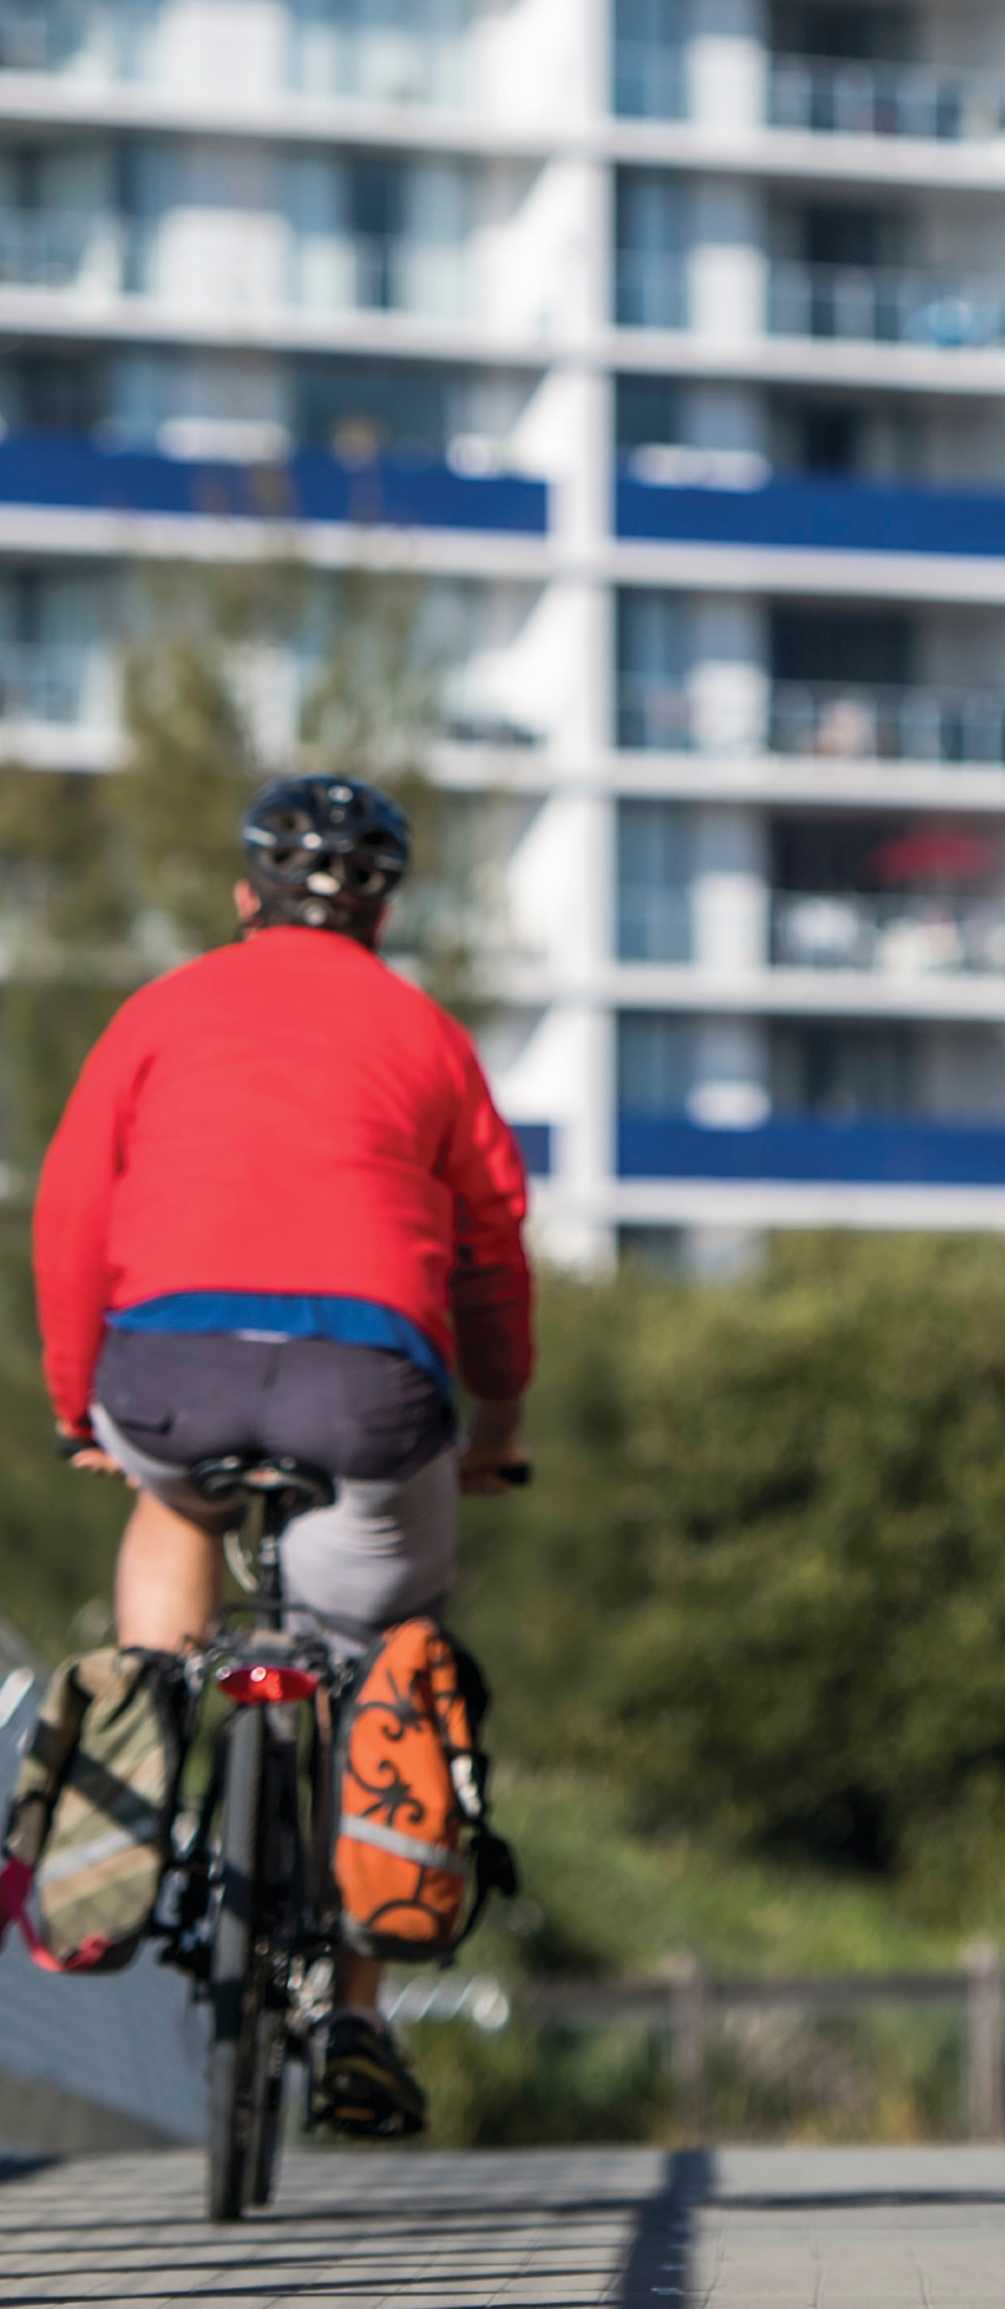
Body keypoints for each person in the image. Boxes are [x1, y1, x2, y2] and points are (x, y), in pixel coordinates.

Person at [34, 774, 534, 2141]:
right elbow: (491, 1251)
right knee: (385, 1644)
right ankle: (357, 2013)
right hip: (365, 1386)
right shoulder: (426, 1035)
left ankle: (139, 1720)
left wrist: (83, 1407)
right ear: (381, 907)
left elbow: (75, 1207)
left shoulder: (160, 1010)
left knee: (171, 1499)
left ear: (245, 891)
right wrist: (497, 1429)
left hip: (168, 1368)